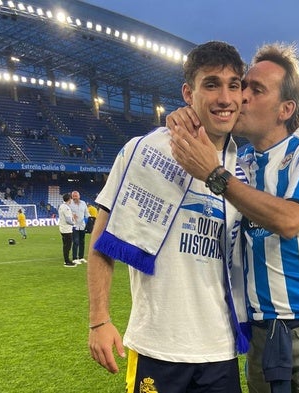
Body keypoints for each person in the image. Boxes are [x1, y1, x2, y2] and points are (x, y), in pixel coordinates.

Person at [168, 43, 299, 393]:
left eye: (255, 90)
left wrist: (216, 176)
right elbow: (204, 114)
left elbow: (290, 221)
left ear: (285, 109)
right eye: (244, 86)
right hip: (261, 332)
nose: (240, 97)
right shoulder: (238, 161)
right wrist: (183, 116)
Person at [87, 41, 249, 393]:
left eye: (233, 85)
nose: (225, 98)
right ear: (188, 93)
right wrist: (99, 319)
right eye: (211, 84)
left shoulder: (244, 173)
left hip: (221, 350)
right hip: (158, 346)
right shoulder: (143, 151)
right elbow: (102, 241)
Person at [70, 190, 90, 264]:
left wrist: (90, 220)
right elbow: (66, 212)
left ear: (79, 196)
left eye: (76, 196)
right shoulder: (70, 203)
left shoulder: (83, 203)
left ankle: (81, 257)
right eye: (73, 196)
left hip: (82, 225)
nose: (74, 197)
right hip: (74, 225)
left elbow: (86, 213)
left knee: (82, 241)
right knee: (75, 241)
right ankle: (75, 258)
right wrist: (72, 215)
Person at [58, 193, 76, 267]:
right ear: (69, 199)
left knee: (65, 245)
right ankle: (67, 261)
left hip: (62, 228)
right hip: (67, 229)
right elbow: (68, 220)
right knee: (68, 246)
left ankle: (67, 260)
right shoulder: (67, 208)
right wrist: (74, 223)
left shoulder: (61, 206)